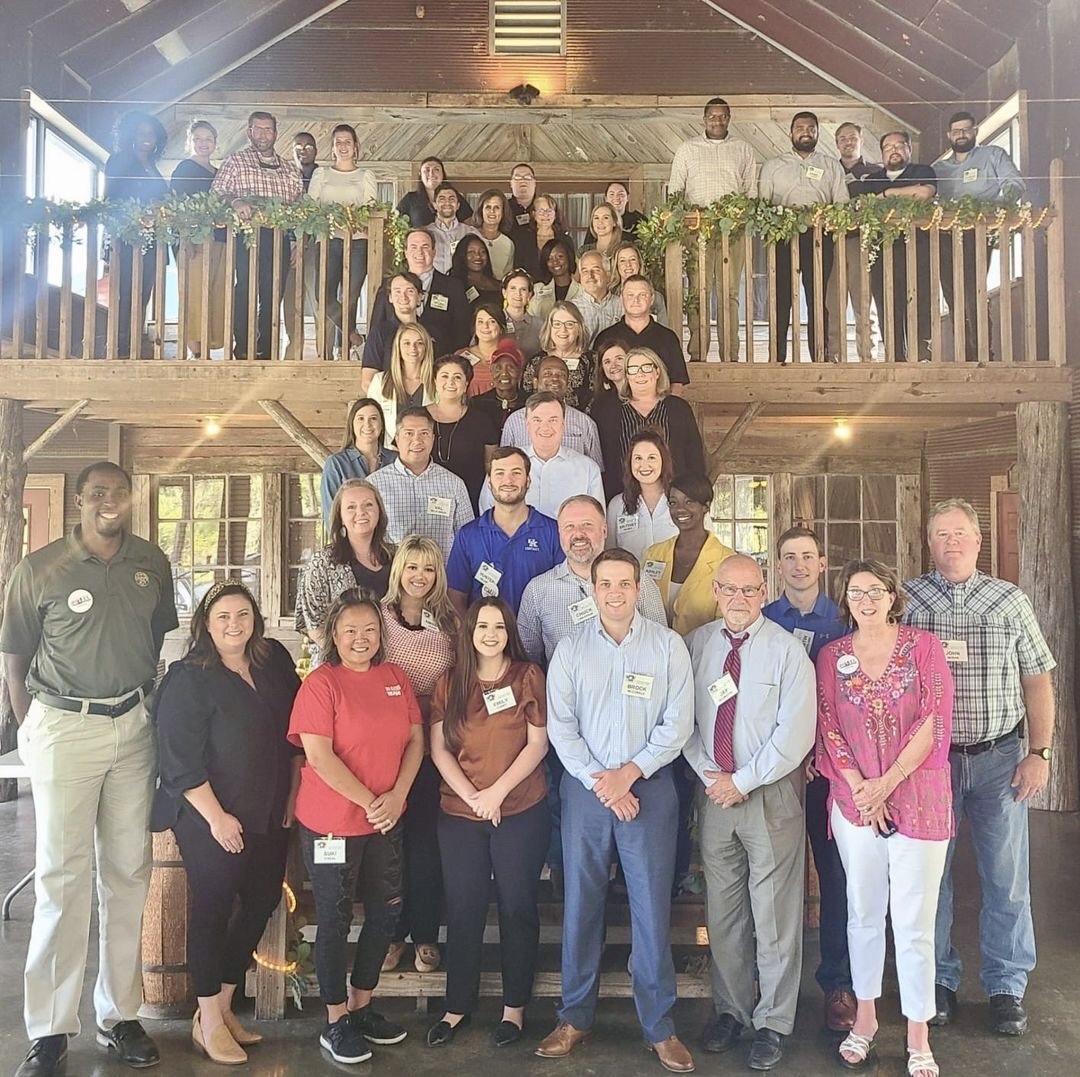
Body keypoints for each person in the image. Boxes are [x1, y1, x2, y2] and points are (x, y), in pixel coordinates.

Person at [3, 461, 178, 1077]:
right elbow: (16, 657)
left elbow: (156, 641)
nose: (110, 502)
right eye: (98, 492)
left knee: (129, 872)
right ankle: (49, 1029)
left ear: (132, 499)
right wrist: (32, 727)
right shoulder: (39, 567)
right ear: (81, 499)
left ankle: (118, 1015)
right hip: (61, 724)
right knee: (61, 877)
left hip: (132, 727)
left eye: (119, 492)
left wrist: (140, 707)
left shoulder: (151, 562)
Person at [538, 549, 696, 1073]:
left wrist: (628, 774)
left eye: (624, 583)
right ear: (593, 589)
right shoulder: (571, 649)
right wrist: (603, 782)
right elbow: (561, 727)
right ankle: (574, 1017)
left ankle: (659, 1026)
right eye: (605, 584)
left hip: (648, 790)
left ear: (637, 589)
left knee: (651, 908)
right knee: (581, 904)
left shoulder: (668, 646)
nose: (614, 593)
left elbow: (678, 723)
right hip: (587, 791)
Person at [903, 499, 1056, 1037]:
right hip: (930, 765)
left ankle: (1007, 987)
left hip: (998, 761)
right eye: (941, 533)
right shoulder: (908, 599)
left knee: (1007, 880)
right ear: (929, 543)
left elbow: (1038, 678)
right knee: (932, 878)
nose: (951, 542)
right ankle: (938, 981)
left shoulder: (1010, 600)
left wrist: (1039, 753)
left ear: (978, 540)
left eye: (961, 533)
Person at [151, 581, 301, 1065]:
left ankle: (223, 1005)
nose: (234, 624)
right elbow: (178, 760)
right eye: (223, 617)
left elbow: (296, 730)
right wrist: (217, 818)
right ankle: (207, 1019)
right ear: (206, 625)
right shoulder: (188, 677)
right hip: (209, 815)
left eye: (242, 614)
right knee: (213, 909)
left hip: (270, 809)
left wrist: (294, 792)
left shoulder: (272, 661)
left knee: (262, 900)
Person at [817, 560, 954, 1077]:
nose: (866, 600)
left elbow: (934, 718)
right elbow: (827, 723)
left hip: (918, 797)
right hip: (855, 805)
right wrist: (859, 788)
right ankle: (867, 1020)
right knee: (863, 912)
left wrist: (887, 782)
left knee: (916, 922)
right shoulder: (832, 656)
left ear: (893, 596)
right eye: (856, 592)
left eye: (876, 591)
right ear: (845, 600)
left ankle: (918, 1032)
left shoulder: (924, 648)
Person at [683, 555, 816, 1072]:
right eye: (729, 590)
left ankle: (773, 1022)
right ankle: (731, 1012)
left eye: (749, 590)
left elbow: (796, 733)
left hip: (769, 794)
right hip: (714, 794)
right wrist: (711, 775)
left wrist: (742, 781)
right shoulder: (698, 646)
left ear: (764, 592)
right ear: (716, 591)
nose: (739, 600)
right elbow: (685, 717)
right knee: (725, 910)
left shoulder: (787, 652)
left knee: (775, 913)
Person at [287, 591, 424, 1064]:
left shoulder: (394, 678)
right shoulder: (321, 684)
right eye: (350, 631)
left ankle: (363, 1006)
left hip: (387, 819)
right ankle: (335, 1020)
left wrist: (398, 796)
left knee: (385, 914)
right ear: (333, 637)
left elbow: (415, 740)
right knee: (335, 917)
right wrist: (372, 801)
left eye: (369, 630)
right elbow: (319, 756)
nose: (361, 639)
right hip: (332, 825)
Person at [427, 598, 550, 1048]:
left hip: (519, 809)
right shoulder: (449, 683)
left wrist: (496, 794)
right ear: (469, 632)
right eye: (483, 625)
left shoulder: (527, 676)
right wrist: (474, 798)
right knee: (463, 910)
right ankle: (456, 1006)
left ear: (509, 631)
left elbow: (538, 743)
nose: (491, 633)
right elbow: (439, 749)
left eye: (499, 626)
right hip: (461, 814)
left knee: (517, 907)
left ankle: (514, 1010)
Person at [762, 526, 854, 1033]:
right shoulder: (764, 618)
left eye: (807, 557)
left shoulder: (843, 622)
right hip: (773, 771)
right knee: (771, 876)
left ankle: (837, 982)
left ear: (822, 563)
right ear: (779, 565)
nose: (798, 565)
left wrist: (822, 753)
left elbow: (850, 699)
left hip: (825, 773)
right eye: (789, 557)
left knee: (834, 875)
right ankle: (768, 981)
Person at [379, 537, 459, 976]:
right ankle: (392, 933)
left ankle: (426, 934)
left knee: (428, 842)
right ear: (399, 571)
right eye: (412, 567)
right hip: (389, 740)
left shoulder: (448, 621)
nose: (419, 577)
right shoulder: (380, 617)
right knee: (391, 842)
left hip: (436, 741)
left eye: (428, 569)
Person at [517, 495, 667, 667]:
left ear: (604, 531)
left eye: (587, 525)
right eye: (569, 527)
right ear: (559, 534)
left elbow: (661, 645)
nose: (578, 534)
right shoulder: (537, 591)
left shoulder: (638, 581)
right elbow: (528, 662)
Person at [668, 98, 758, 362]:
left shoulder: (743, 149)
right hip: (697, 230)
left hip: (734, 231)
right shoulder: (688, 149)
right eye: (712, 116)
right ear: (704, 119)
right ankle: (698, 354)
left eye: (722, 116)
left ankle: (730, 354)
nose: (717, 121)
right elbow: (675, 191)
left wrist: (740, 214)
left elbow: (750, 192)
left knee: (729, 292)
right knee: (698, 290)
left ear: (729, 119)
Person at [934, 112, 1027, 362]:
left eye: (966, 130)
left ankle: (984, 352)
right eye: (956, 131)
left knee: (974, 291)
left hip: (978, 232)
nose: (961, 135)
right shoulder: (938, 169)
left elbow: (1014, 184)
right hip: (944, 237)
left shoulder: (993, 155)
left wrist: (990, 210)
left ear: (975, 131)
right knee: (953, 294)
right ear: (949, 135)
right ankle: (964, 353)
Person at [211, 111, 304, 359]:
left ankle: (267, 349)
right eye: (258, 129)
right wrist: (236, 200)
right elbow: (216, 194)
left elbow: (299, 208)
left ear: (275, 133)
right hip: (246, 237)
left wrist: (295, 242)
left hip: (280, 239)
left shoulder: (289, 169)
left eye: (268, 129)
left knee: (274, 292)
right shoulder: (235, 162)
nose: (264, 134)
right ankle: (242, 348)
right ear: (249, 132)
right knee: (244, 290)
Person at [758, 111, 849, 363]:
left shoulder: (831, 165)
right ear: (791, 132)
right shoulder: (772, 166)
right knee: (781, 299)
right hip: (782, 238)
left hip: (819, 238)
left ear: (818, 133)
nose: (806, 132)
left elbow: (841, 204)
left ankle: (819, 356)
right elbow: (762, 206)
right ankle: (777, 358)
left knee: (818, 299)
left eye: (811, 128)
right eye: (800, 127)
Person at [447, 447, 563, 616]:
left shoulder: (553, 532)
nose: (508, 480)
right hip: (487, 640)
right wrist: (472, 637)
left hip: (539, 641)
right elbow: (456, 598)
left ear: (528, 480)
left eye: (516, 473)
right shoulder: (468, 536)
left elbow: (563, 592)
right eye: (499, 473)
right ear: (489, 481)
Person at [296, 479, 396, 665]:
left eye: (368, 505)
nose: (361, 512)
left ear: (379, 512)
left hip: (392, 663)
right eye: (351, 507)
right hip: (339, 665)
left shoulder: (397, 557)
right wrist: (355, 658)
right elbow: (314, 624)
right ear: (339, 516)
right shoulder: (323, 561)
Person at [861, 132, 936, 363]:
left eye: (899, 145)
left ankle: (922, 360)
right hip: (881, 252)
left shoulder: (923, 171)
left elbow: (924, 193)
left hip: (918, 249)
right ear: (882, 153)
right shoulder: (871, 180)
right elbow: (866, 205)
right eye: (888, 147)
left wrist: (888, 194)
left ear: (908, 149)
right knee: (887, 306)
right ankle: (895, 361)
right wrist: (904, 194)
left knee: (921, 303)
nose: (894, 150)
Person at [369, 408, 475, 561]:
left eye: (424, 433)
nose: (417, 441)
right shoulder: (374, 484)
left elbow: (467, 539)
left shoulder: (454, 484)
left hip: (443, 579)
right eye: (409, 433)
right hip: (390, 579)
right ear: (397, 439)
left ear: (432, 438)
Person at [308, 123, 376, 359]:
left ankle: (342, 349)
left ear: (355, 147)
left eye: (348, 141)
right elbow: (311, 206)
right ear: (333, 148)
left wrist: (356, 219)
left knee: (350, 295)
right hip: (327, 240)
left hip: (357, 242)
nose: (343, 146)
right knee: (323, 294)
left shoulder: (365, 175)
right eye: (338, 142)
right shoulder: (321, 174)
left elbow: (369, 209)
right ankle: (355, 338)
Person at [104, 109, 168, 359]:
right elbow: (111, 198)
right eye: (141, 132)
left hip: (153, 239)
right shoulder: (119, 160)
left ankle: (134, 339)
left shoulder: (152, 165)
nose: (147, 137)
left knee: (144, 291)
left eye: (151, 133)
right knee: (126, 291)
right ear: (130, 134)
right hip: (128, 237)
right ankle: (120, 345)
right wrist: (140, 213)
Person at [478, 393, 604, 518]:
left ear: (563, 425)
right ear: (527, 425)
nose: (545, 427)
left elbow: (597, 521)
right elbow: (486, 514)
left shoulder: (587, 469)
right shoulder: (505, 465)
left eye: (553, 420)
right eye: (537, 420)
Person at [598, 345, 705, 487]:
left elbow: (694, 455)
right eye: (633, 369)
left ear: (657, 372)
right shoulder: (609, 412)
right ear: (627, 375)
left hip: (672, 494)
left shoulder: (678, 408)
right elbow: (607, 460)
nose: (640, 374)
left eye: (646, 367)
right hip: (624, 495)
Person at [642, 472, 735, 636]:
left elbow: (728, 623)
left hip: (704, 655)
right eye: (673, 502)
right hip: (655, 654)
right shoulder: (653, 555)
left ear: (706, 506)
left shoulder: (727, 561)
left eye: (689, 502)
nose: (680, 509)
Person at [825, 123, 882, 363]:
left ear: (861, 139)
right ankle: (835, 360)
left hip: (862, 242)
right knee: (833, 304)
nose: (848, 142)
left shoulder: (876, 172)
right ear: (837, 142)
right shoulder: (828, 169)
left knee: (864, 304)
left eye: (853, 137)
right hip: (832, 243)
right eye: (842, 138)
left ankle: (868, 358)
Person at [170, 119, 226, 358]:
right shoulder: (184, 169)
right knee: (194, 291)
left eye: (208, 139)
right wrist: (186, 237)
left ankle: (209, 343)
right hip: (194, 239)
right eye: (198, 139)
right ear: (190, 142)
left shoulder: (219, 172)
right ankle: (195, 348)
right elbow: (177, 206)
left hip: (220, 238)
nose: (203, 144)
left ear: (215, 143)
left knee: (215, 291)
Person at [368, 228, 472, 358]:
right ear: (405, 252)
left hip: (439, 365)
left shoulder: (453, 286)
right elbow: (376, 327)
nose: (419, 252)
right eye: (413, 247)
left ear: (434, 252)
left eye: (425, 247)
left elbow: (463, 330)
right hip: (395, 365)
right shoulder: (389, 286)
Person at [427, 353, 502, 512]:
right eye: (444, 376)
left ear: (467, 383)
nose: (450, 382)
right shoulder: (417, 418)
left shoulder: (482, 421)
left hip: (470, 502)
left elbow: (491, 466)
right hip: (424, 499)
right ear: (435, 380)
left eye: (457, 377)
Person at [501, 355, 603, 467]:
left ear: (568, 383)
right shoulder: (514, 421)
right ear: (535, 382)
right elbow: (503, 465)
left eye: (561, 375)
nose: (554, 378)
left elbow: (596, 469)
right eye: (547, 374)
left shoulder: (585, 423)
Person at [595, 276, 690, 395]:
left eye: (642, 295)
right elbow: (597, 382)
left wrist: (665, 410)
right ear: (621, 299)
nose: (636, 300)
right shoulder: (605, 338)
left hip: (659, 409)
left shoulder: (668, 337)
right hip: (615, 409)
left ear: (652, 299)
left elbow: (677, 383)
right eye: (630, 295)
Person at [320, 398, 398, 523]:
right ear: (352, 424)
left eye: (373, 418)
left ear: (382, 424)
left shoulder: (396, 460)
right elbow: (331, 515)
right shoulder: (336, 464)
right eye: (361, 418)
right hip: (351, 539)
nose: (367, 424)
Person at [606, 430, 678, 565]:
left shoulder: (683, 501)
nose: (644, 465)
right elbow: (610, 552)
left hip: (676, 585)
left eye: (651, 458)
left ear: (664, 461)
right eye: (638, 458)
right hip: (632, 583)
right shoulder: (617, 505)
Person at [282, 132, 320, 360]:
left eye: (309, 146)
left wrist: (303, 241)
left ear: (316, 150)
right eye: (299, 146)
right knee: (290, 302)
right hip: (287, 245)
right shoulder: (285, 174)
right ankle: (293, 353)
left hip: (316, 246)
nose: (303, 150)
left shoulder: (322, 175)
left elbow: (319, 212)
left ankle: (325, 354)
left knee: (318, 300)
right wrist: (293, 243)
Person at [368, 324, 437, 443]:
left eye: (419, 343)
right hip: (388, 454)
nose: (413, 348)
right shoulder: (380, 381)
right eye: (406, 343)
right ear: (398, 348)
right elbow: (372, 420)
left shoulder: (437, 382)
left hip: (424, 451)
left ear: (427, 347)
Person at [522, 301, 595, 410]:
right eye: (557, 324)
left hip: (580, 423)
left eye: (569, 324)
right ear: (549, 328)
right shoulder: (536, 361)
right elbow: (526, 397)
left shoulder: (593, 361)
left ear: (579, 328)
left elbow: (598, 398)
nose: (563, 330)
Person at [360, 271, 423, 392]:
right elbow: (368, 381)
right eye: (397, 291)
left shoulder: (432, 332)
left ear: (420, 297)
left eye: (409, 291)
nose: (403, 297)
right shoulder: (379, 332)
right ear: (390, 298)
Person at [396, 156, 473, 228]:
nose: (431, 174)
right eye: (427, 170)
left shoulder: (455, 197)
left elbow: (470, 223)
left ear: (443, 173)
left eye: (436, 169)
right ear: (420, 175)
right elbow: (396, 224)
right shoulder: (410, 199)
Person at [471, 339, 527, 431]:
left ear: (519, 372)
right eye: (498, 368)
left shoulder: (529, 404)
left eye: (510, 368)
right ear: (491, 372)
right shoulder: (477, 404)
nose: (504, 373)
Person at [456, 301, 509, 396]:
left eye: (492, 321)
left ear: (501, 328)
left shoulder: (511, 356)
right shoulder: (460, 356)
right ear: (474, 327)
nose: (485, 326)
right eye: (480, 321)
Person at [527, 235, 583, 320]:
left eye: (560, 256)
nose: (555, 262)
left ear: (569, 257)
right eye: (550, 259)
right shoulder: (538, 289)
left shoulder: (582, 291)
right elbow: (530, 320)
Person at [612, 243, 669, 326]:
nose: (628, 264)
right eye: (622, 260)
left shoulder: (656, 298)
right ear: (617, 266)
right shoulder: (610, 296)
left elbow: (663, 332)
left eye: (632, 259)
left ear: (639, 263)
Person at [518, 194, 571, 282]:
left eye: (549, 211)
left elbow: (571, 268)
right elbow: (518, 267)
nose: (545, 215)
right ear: (534, 214)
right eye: (541, 211)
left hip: (559, 288)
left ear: (555, 214)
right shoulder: (523, 239)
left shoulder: (565, 240)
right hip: (531, 289)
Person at [430, 183, 481, 273]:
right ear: (434, 205)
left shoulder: (471, 232)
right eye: (442, 199)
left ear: (458, 205)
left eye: (451, 199)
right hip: (432, 285)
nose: (447, 202)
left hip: (462, 284)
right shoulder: (425, 233)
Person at [575, 250, 623, 344]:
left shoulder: (622, 305)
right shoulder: (572, 309)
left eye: (596, 270)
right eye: (585, 271)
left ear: (608, 275)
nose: (590, 276)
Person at [449, 234, 502, 309]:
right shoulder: (453, 285)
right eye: (471, 252)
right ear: (462, 255)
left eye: (482, 252)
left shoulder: (499, 285)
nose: (478, 256)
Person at [474, 188, 517, 278]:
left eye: (496, 207)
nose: (492, 211)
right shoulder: (470, 236)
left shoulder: (508, 243)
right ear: (481, 211)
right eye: (488, 207)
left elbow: (507, 277)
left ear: (503, 211)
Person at [502, 268, 542, 358]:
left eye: (523, 289)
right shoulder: (493, 319)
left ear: (529, 295)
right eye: (513, 288)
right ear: (504, 293)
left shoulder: (540, 325)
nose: (518, 293)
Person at [580, 202, 624, 276]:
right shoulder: (584, 250)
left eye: (606, 217)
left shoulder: (623, 249)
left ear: (615, 222)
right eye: (596, 218)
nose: (600, 222)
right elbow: (577, 281)